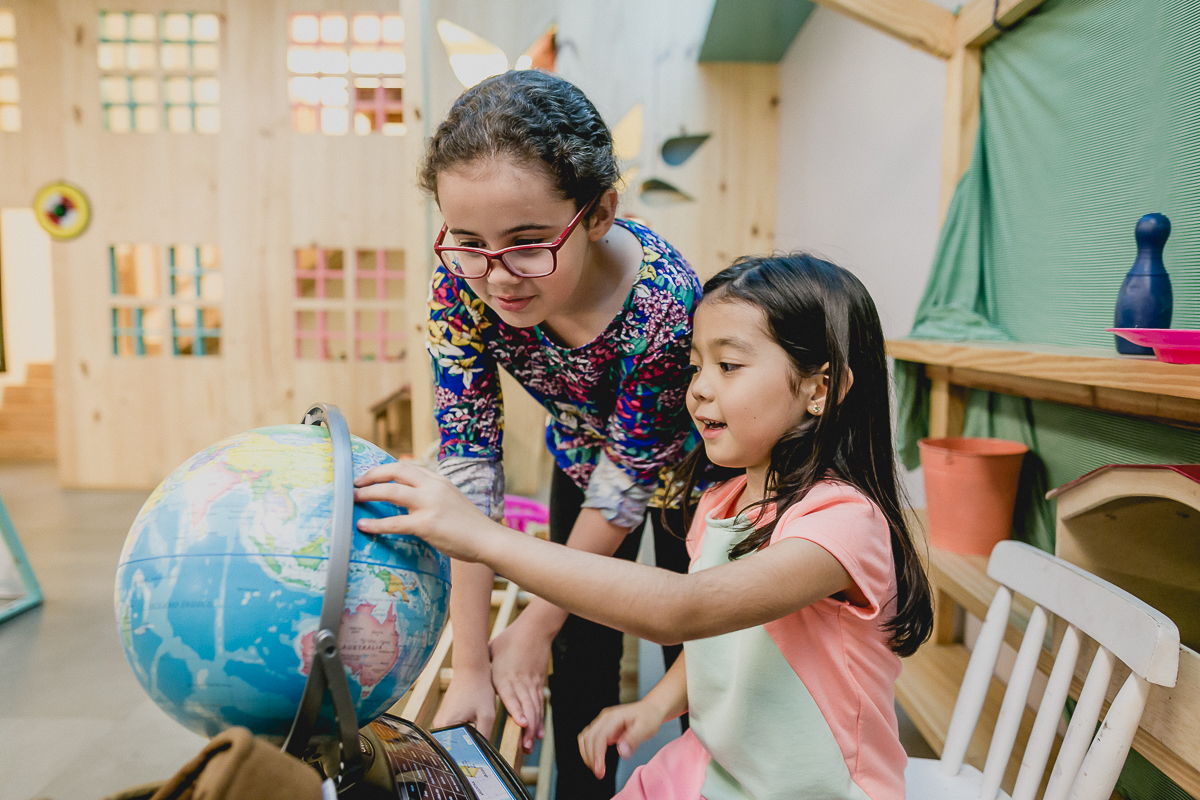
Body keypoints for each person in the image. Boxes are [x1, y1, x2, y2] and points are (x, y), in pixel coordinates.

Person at [356, 253, 935, 799]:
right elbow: (735, 640)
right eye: (695, 366)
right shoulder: (721, 503)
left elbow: (686, 610)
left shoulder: (843, 521)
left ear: (820, 388)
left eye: (728, 366)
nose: (700, 387)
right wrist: (655, 706)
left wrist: (482, 536)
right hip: (716, 765)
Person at [417, 69, 700, 798]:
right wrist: (475, 665)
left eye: (527, 241)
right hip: (581, 462)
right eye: (469, 240)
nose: (498, 275)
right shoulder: (460, 286)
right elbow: (469, 471)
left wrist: (533, 626)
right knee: (581, 657)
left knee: (692, 660)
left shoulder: (664, 304)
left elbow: (630, 479)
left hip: (693, 487)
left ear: (599, 212)